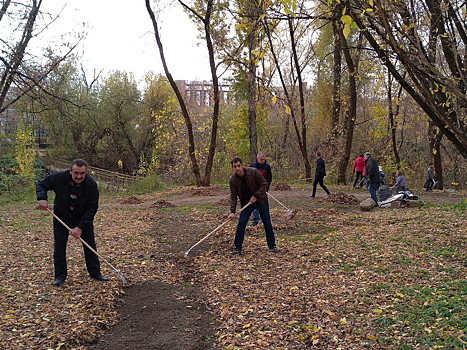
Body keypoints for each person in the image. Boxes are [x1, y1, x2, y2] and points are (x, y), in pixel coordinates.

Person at [36, 159, 108, 286]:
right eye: (76, 173)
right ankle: (60, 276)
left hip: (82, 217)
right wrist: (42, 198)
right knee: (59, 246)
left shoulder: (91, 184)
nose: (79, 176)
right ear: (70, 171)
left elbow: (92, 208)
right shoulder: (58, 177)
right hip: (61, 216)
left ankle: (95, 272)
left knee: (89, 244)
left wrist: (79, 227)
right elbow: (42, 184)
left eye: (82, 173)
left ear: (86, 172)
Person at [228, 157, 277, 255]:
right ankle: (237, 247)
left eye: (239, 166)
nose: (237, 168)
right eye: (235, 167)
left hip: (261, 201)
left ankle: (272, 246)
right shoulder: (233, 179)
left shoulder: (253, 172)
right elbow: (233, 196)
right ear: (232, 168)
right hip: (246, 204)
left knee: (267, 223)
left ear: (242, 165)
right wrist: (232, 211)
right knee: (241, 223)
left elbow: (264, 184)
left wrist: (255, 196)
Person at [249, 152, 272, 226]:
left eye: (264, 159)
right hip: (254, 189)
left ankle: (265, 220)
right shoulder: (252, 166)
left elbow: (269, 178)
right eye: (261, 159)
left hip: (263, 189)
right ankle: (255, 220)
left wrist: (266, 188)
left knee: (263, 204)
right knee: (255, 204)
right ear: (257, 158)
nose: (263, 161)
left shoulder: (267, 167)